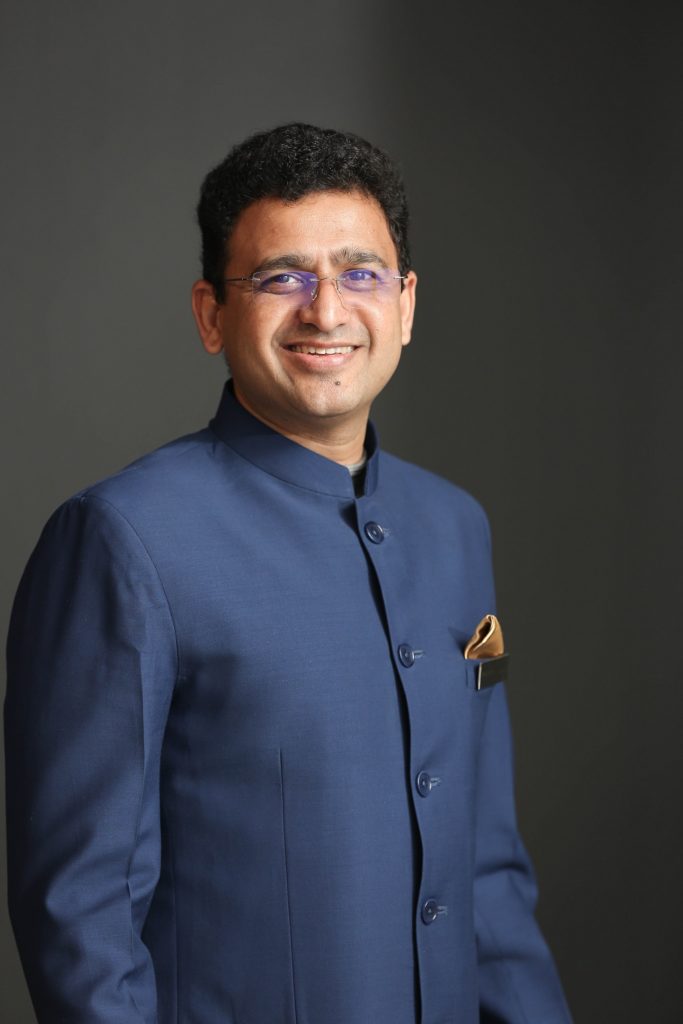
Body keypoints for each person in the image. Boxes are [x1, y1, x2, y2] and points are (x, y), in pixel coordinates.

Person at [4, 123, 572, 1024]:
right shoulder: (122, 539)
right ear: (210, 314)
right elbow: (80, 915)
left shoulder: (455, 527)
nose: (326, 311)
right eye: (282, 278)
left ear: (405, 305)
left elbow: (487, 868)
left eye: (360, 273)